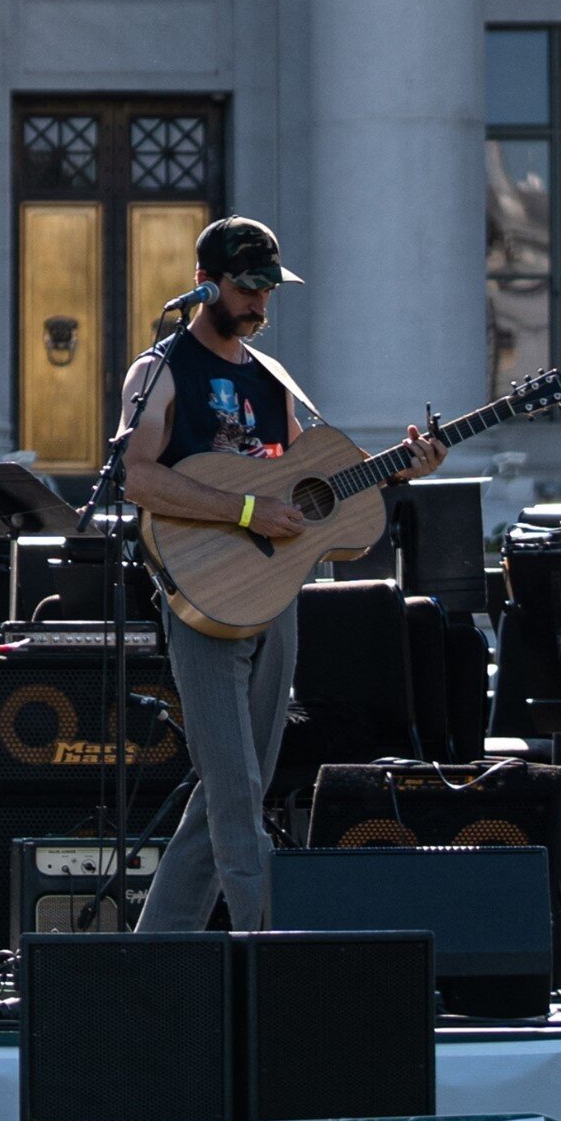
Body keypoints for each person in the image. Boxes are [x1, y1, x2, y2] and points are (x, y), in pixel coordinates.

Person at [119, 215, 446, 932]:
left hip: (275, 598)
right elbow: (138, 478)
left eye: (270, 288)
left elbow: (315, 491)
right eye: (247, 287)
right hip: (202, 597)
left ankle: (150, 958)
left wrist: (399, 470)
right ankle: (269, 948)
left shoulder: (273, 382)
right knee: (234, 790)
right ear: (207, 283)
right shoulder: (163, 368)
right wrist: (242, 510)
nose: (261, 303)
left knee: (238, 788)